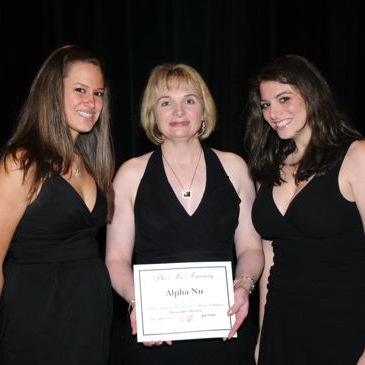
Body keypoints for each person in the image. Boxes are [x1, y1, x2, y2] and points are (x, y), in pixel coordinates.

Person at [105, 63, 264, 365]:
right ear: (153, 114)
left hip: (225, 331)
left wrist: (243, 286)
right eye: (166, 102)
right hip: (153, 338)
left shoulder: (235, 168)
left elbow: (251, 249)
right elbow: (115, 260)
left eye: (189, 100)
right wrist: (137, 303)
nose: (178, 111)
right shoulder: (130, 174)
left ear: (204, 112)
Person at [245, 55, 365, 365]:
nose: (273, 113)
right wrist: (262, 335)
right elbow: (271, 261)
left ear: (311, 94)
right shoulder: (268, 166)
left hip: (341, 328)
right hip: (281, 328)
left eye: (284, 98)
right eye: (265, 104)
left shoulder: (359, 156)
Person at [0, 44, 115, 364]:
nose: (91, 103)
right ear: (52, 92)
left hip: (89, 326)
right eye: (80, 90)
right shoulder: (20, 163)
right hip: (32, 326)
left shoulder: (91, 162)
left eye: (99, 93)